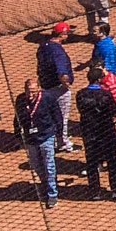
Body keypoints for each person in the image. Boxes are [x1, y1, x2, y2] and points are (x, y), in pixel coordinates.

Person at [74, 63, 116, 198]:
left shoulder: (80, 94)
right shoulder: (105, 95)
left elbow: (81, 110)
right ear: (99, 80)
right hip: (105, 131)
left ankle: (95, 191)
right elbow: (115, 111)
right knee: (112, 159)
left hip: (89, 131)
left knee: (91, 161)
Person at [14, 78, 60, 209]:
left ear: (39, 89)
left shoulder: (48, 98)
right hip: (30, 138)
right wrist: (18, 134)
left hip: (47, 135)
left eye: (33, 91)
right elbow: (17, 117)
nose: (30, 94)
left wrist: (59, 134)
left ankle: (52, 194)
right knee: (35, 164)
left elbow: (57, 115)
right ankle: (45, 184)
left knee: (49, 165)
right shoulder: (20, 100)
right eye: (28, 91)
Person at [37, 22, 76, 153]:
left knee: (50, 115)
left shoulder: (43, 46)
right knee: (62, 117)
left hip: (45, 87)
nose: (68, 36)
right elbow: (62, 73)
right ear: (62, 34)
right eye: (67, 33)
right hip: (58, 88)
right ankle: (63, 142)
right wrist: (66, 84)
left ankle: (52, 140)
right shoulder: (58, 51)